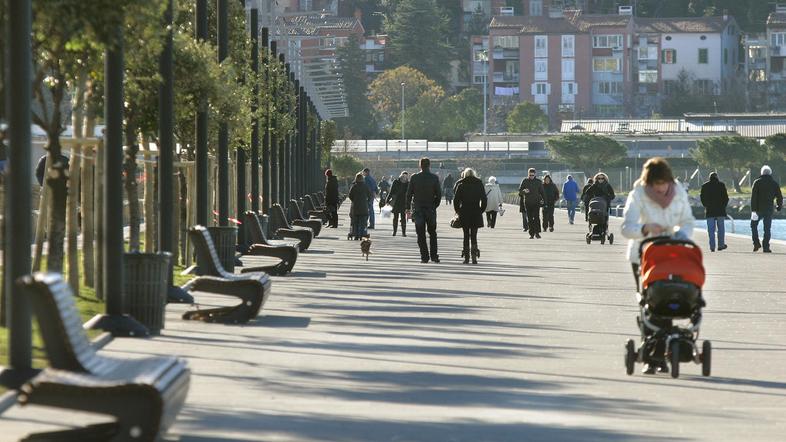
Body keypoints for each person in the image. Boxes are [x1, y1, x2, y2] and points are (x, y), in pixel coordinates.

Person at [621, 157, 695, 374]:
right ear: (649, 182)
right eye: (656, 184)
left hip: (671, 253)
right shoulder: (638, 194)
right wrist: (645, 229)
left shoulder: (678, 192)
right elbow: (626, 227)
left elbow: (688, 220)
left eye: (664, 183)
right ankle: (652, 355)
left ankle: (666, 349)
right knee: (650, 303)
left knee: (670, 298)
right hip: (643, 255)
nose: (661, 188)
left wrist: (681, 235)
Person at [406, 157, 442, 263]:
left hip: (418, 209)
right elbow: (439, 195)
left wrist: (407, 207)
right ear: (429, 165)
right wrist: (435, 205)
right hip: (430, 208)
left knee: (420, 234)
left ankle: (424, 256)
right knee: (432, 233)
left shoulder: (414, 177)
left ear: (420, 165)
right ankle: (434, 256)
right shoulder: (434, 178)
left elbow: (409, 194)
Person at [454, 168, 487, 264]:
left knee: (465, 235)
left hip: (464, 211)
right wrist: (481, 210)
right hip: (476, 211)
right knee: (474, 235)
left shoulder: (461, 185)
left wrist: (458, 211)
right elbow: (484, 199)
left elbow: (456, 201)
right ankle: (474, 257)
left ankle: (466, 257)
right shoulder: (479, 184)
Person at [750, 165, 783, 253]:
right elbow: (779, 197)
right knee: (767, 228)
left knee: (753, 226)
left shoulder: (757, 182)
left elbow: (753, 198)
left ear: (761, 173)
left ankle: (756, 243)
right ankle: (766, 247)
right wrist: (779, 207)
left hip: (757, 209)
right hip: (769, 209)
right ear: (770, 173)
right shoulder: (774, 183)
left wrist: (753, 210)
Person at [699, 172, 728, 252]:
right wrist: (723, 206)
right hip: (720, 211)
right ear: (717, 177)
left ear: (709, 177)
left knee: (711, 230)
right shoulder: (721, 185)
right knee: (721, 229)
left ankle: (712, 246)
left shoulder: (705, 186)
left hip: (710, 211)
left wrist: (706, 205)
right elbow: (726, 198)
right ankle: (721, 245)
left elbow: (702, 198)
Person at [519, 168, 545, 239]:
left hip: (536, 203)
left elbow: (542, 192)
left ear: (535, 174)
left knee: (536, 218)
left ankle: (537, 233)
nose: (531, 176)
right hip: (527, 203)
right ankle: (531, 233)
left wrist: (544, 201)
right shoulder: (525, 181)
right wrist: (524, 191)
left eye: (533, 175)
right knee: (530, 219)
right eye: (530, 175)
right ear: (528, 174)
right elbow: (520, 191)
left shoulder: (538, 182)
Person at [348, 172, 371, 239]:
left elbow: (350, 195)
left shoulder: (354, 186)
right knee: (363, 222)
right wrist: (367, 202)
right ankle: (362, 234)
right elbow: (370, 196)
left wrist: (354, 200)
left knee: (356, 222)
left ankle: (356, 235)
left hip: (356, 207)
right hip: (364, 207)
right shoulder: (365, 186)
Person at [386, 171, 409, 237]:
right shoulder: (396, 182)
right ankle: (394, 231)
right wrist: (387, 200)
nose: (404, 177)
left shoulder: (408, 183)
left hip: (404, 201)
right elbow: (391, 191)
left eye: (406, 176)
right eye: (403, 176)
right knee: (395, 217)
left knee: (403, 217)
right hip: (396, 201)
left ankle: (403, 232)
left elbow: (410, 193)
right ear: (401, 176)